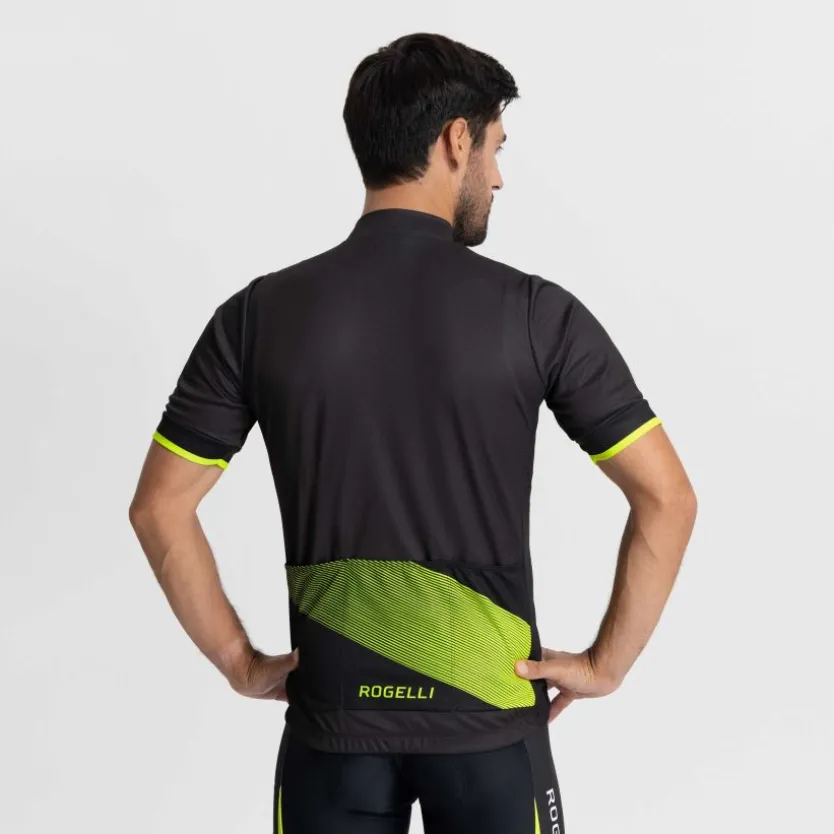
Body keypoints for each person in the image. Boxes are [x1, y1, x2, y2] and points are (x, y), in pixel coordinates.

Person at [128, 31, 697, 834]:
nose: (498, 176)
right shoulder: (537, 315)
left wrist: (239, 662)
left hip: (332, 728)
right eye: (496, 148)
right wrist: (607, 664)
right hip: (491, 724)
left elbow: (158, 508)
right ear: (456, 140)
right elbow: (668, 498)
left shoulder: (256, 317)